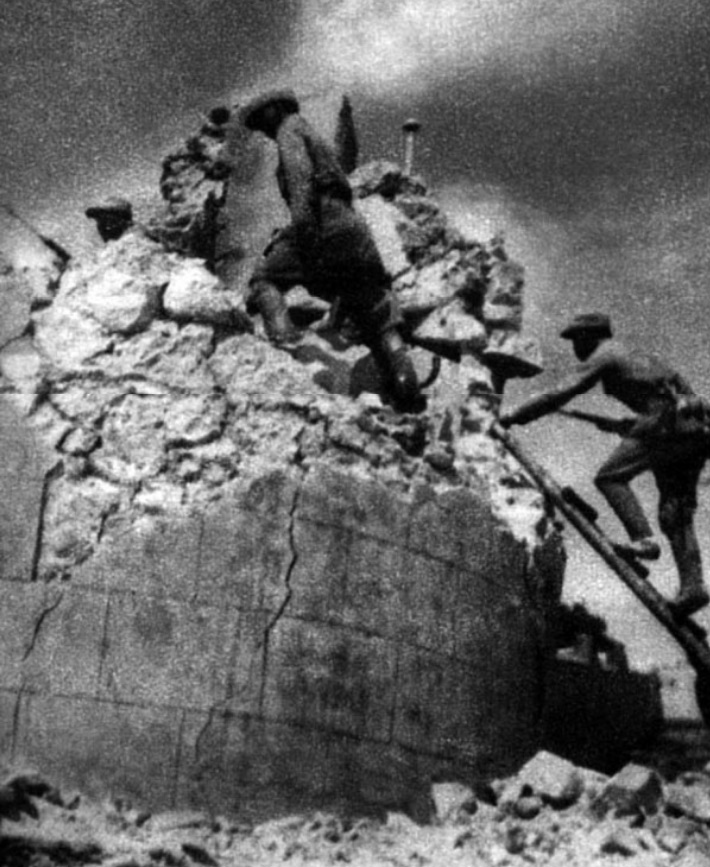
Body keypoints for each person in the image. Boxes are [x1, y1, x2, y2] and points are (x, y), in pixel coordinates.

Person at [499, 312, 710, 617]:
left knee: (610, 478)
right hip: (694, 431)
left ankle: (643, 540)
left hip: (664, 425)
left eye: (576, 340)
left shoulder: (605, 353)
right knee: (675, 513)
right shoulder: (637, 355)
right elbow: (673, 395)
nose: (575, 347)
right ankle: (693, 587)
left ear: (590, 336)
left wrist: (515, 415)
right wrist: (628, 424)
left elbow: (561, 392)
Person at [240, 88, 419, 409]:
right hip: (355, 233)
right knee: (372, 309)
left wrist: (302, 235)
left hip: (325, 226)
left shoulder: (289, 131)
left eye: (261, 120)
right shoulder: (312, 134)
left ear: (275, 110)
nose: (262, 130)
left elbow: (301, 185)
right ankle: (407, 390)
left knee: (263, 277)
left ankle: (285, 345)